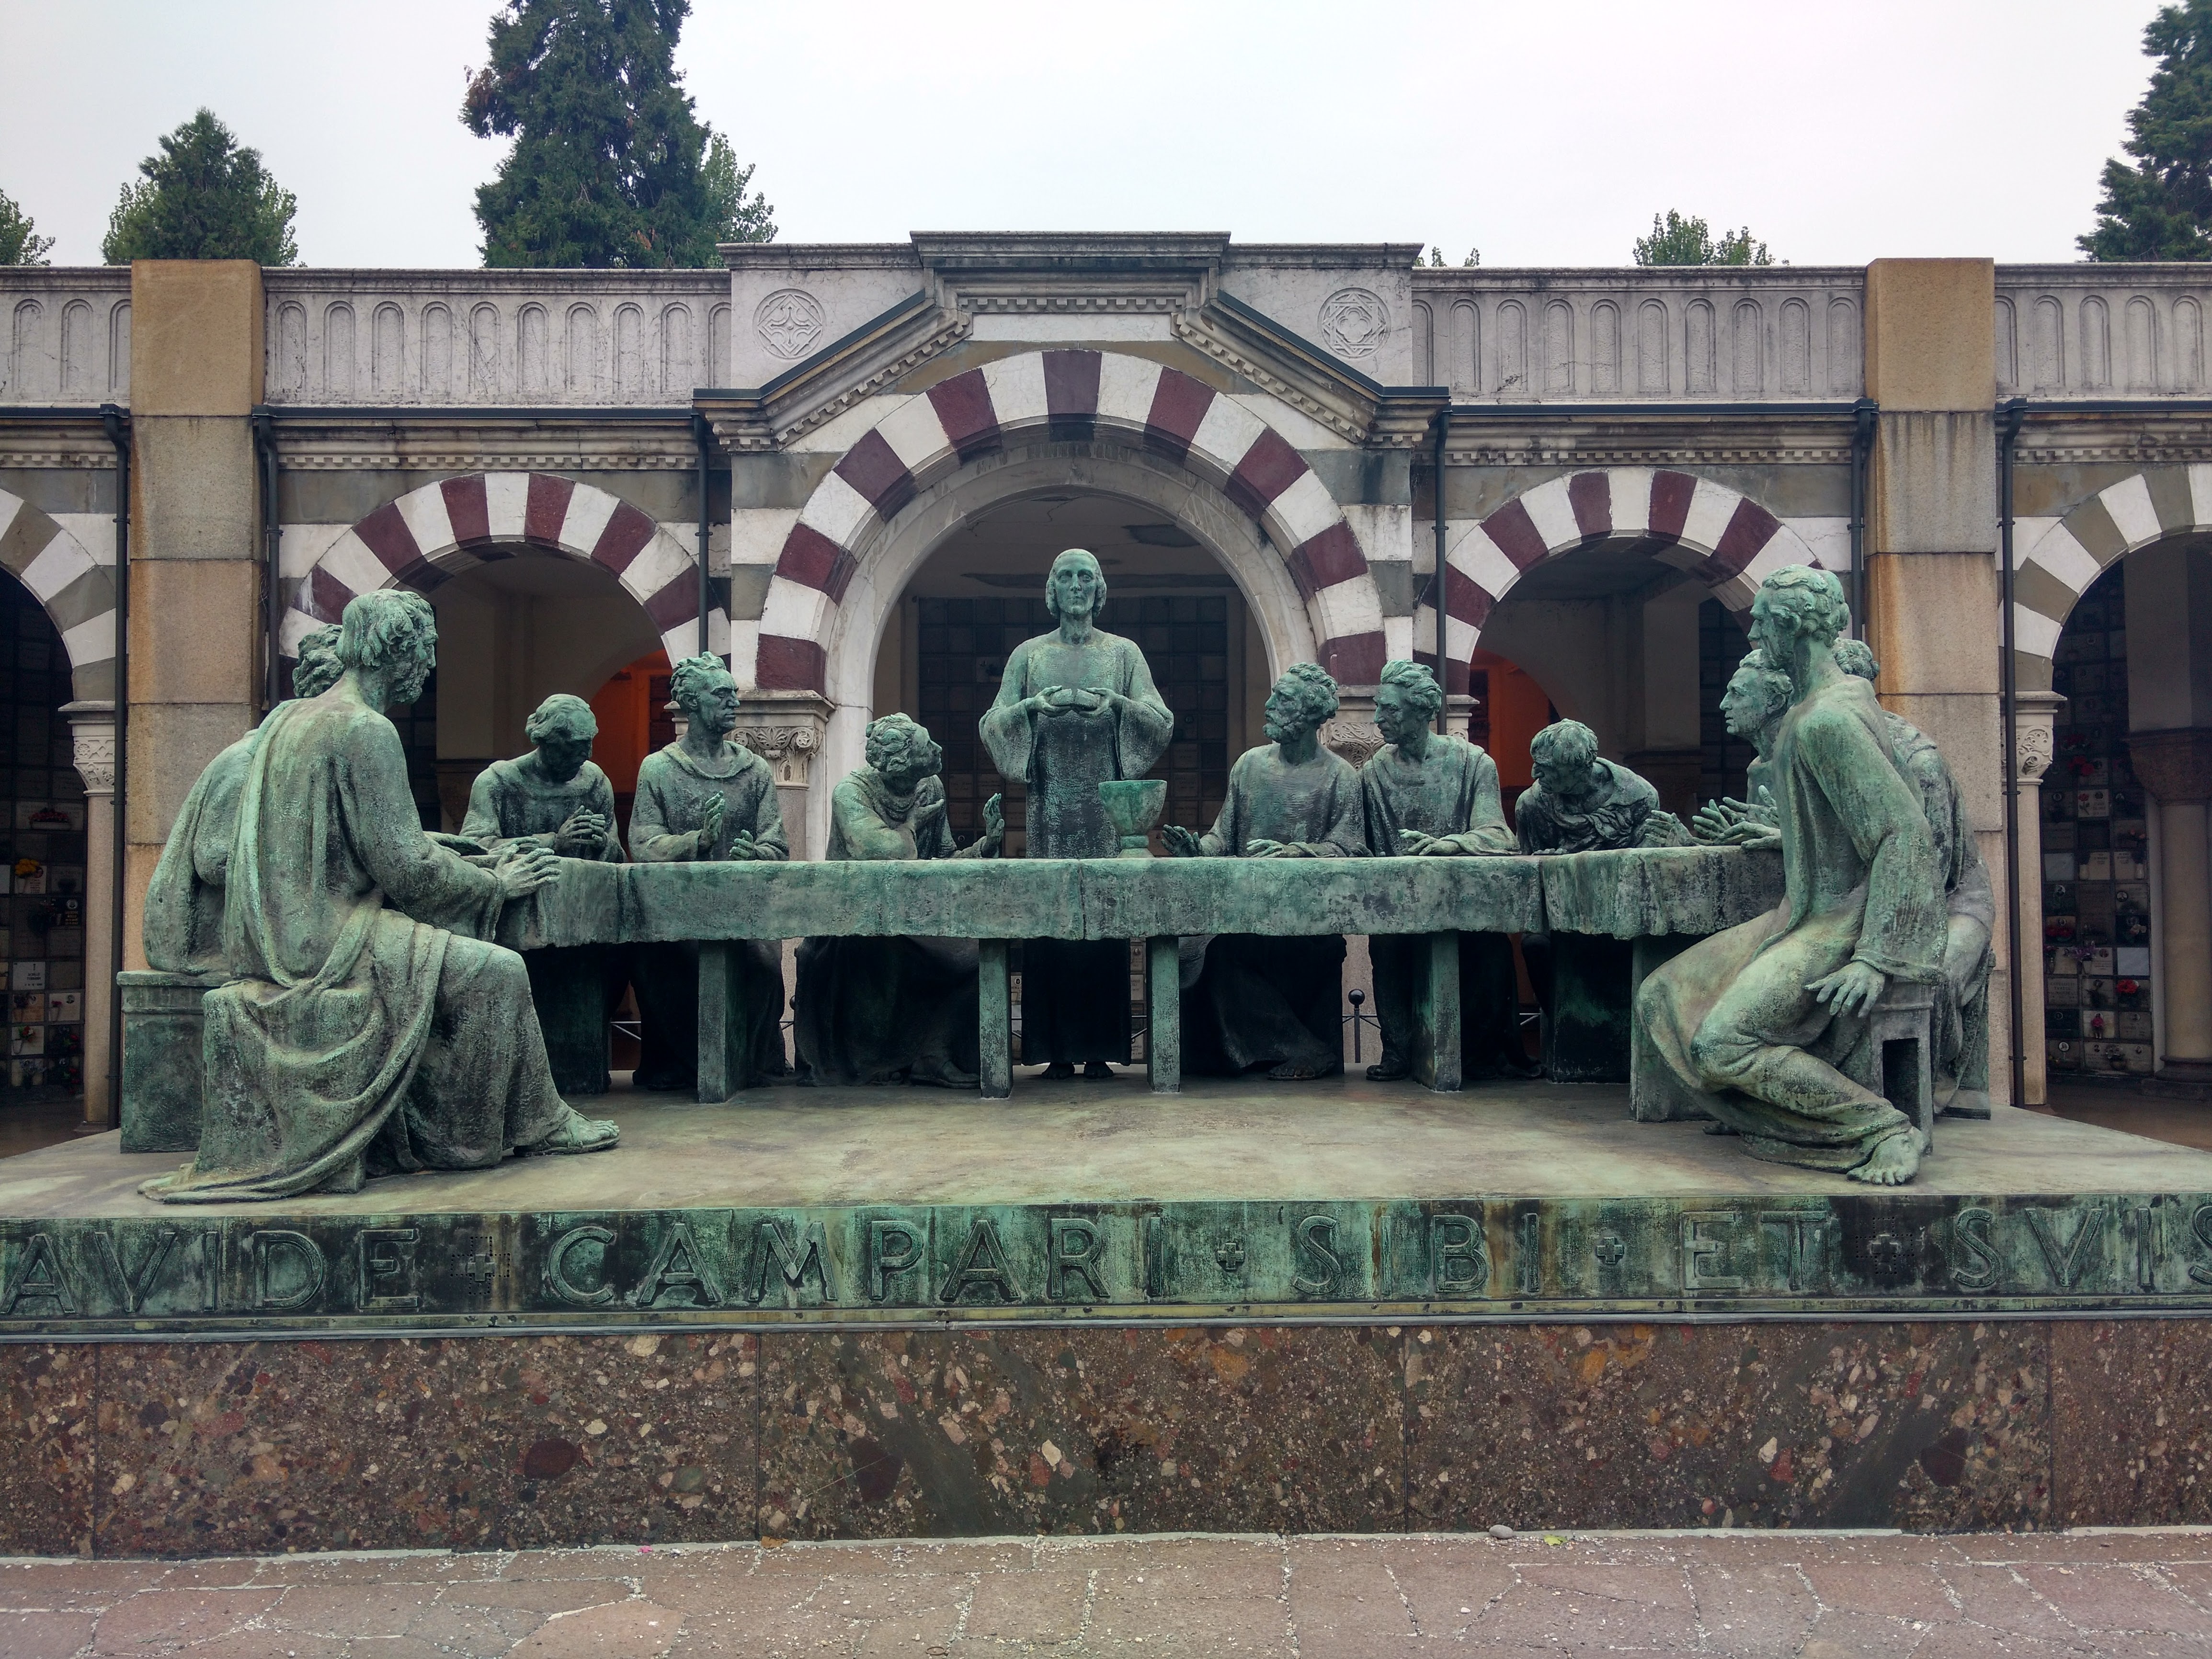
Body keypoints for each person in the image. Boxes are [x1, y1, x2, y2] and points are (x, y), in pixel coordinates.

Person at [144, 591, 616, 1204]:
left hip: (280, 933)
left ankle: (509, 1121)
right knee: (497, 971)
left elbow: (357, 842)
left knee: (473, 966)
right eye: (426, 649)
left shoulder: (292, 718)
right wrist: (495, 883)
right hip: (327, 940)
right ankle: (479, 1136)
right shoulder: (366, 729)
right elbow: (407, 867)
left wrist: (456, 854)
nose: (429, 664)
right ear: (399, 651)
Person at [1634, 566, 1942, 1185]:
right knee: (1660, 996)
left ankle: (1880, 1127)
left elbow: (1902, 832)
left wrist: (1873, 958)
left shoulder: (1828, 720)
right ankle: (1768, 1113)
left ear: (1789, 624)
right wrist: (1786, 835)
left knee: (1720, 1043)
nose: (1751, 632)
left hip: (1839, 923)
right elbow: (1849, 822)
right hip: (1801, 911)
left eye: (1759, 620)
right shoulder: (1819, 708)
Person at [980, 549, 1174, 1080]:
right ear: (1051, 589)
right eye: (1065, 577)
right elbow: (993, 721)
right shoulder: (1028, 655)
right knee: (1053, 924)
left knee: (1103, 923)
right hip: (1047, 810)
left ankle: (1100, 1050)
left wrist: (1115, 703)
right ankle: (1055, 1051)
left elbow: (1158, 718)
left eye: (1085, 577)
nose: (1075, 585)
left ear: (1099, 587)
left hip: (1104, 810)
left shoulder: (1123, 654)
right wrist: (1030, 708)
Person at [1164, 662, 1368, 1080]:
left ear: (1311, 714)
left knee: (1222, 958)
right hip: (1248, 918)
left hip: (1306, 923)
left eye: (1284, 699)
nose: (1270, 705)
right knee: (1193, 952)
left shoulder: (1340, 777)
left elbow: (1349, 847)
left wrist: (1297, 852)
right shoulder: (1250, 766)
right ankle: (1283, 1050)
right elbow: (1224, 838)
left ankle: (1305, 1049)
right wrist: (1196, 849)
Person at [794, 714, 1004, 1087]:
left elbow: (942, 860)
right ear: (901, 760)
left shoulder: (930, 787)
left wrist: (983, 847)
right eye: (928, 746)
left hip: (913, 917)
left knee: (975, 956)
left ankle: (934, 1056)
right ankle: (886, 1058)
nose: (938, 750)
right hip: (855, 921)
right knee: (892, 955)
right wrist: (909, 826)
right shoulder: (852, 792)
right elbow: (879, 850)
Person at [1833, 638, 1994, 1117]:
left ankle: (1923, 1094)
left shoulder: (1916, 759)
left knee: (1933, 972)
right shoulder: (1840, 746)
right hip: (1875, 899)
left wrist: (1879, 939)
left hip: (1953, 905)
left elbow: (1934, 869)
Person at [1357, 659, 1530, 1081]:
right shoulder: (1374, 771)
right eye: (1378, 709)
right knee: (1388, 946)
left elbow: (1498, 835)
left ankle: (1478, 1054)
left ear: (1422, 710)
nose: (1380, 719)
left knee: (1489, 953)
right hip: (1401, 905)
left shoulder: (1473, 763)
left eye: (1391, 710)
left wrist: (1450, 843)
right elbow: (1358, 841)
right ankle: (1399, 1049)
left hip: (1463, 903)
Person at [628, 654, 789, 1094]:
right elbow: (643, 844)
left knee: (760, 965)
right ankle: (687, 1065)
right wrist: (694, 842)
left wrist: (753, 852)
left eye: (734, 694)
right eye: (721, 695)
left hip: (742, 911)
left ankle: (748, 1060)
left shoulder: (755, 769)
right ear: (691, 703)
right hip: (676, 915)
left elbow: (778, 846)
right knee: (668, 965)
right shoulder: (659, 769)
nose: (733, 702)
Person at [144, 625, 344, 976]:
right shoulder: (248, 761)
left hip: (279, 936)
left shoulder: (306, 765)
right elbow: (213, 858)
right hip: (213, 948)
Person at [461, 693, 626, 1097]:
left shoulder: (595, 781)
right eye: (574, 746)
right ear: (545, 740)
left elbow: (617, 857)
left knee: (612, 967)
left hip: (582, 922)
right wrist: (554, 840)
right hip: (518, 920)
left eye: (590, 744)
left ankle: (584, 1078)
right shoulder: (498, 781)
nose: (584, 754)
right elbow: (473, 848)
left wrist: (601, 842)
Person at [1691, 649, 1794, 847]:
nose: (1724, 705)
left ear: (1775, 702)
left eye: (1737, 694)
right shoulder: (1758, 766)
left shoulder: (1800, 759)